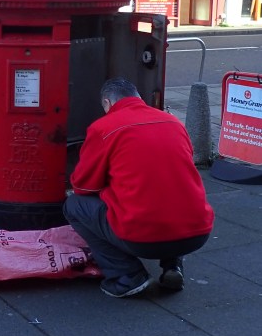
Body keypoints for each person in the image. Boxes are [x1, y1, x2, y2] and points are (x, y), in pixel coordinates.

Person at [63, 77, 214, 299]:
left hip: (142, 238)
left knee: (74, 206)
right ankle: (173, 266)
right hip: (197, 233)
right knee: (172, 189)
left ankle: (127, 276)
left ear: (107, 102)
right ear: (138, 98)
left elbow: (84, 185)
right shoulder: (172, 122)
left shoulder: (104, 127)